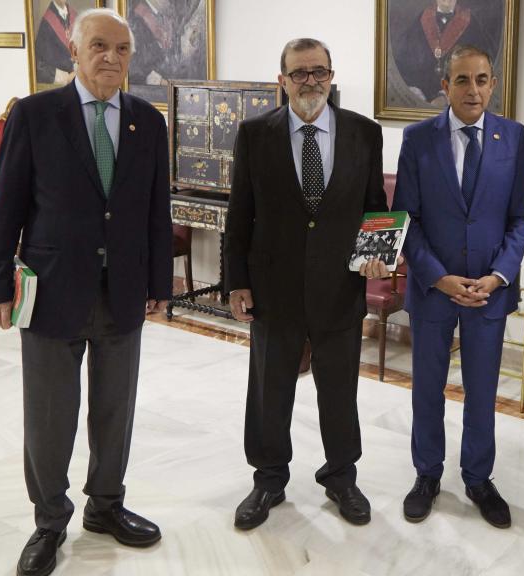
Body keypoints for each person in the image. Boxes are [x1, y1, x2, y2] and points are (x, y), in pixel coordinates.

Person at [0, 9, 171, 576]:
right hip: (52, 289)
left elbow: (153, 213)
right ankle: (48, 521)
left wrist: (160, 283)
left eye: (122, 49)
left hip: (124, 291)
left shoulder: (147, 121)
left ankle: (106, 506)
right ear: (74, 48)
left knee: (115, 409)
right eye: (100, 46)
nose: (112, 58)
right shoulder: (36, 115)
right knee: (49, 416)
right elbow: (7, 205)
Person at [225, 38, 388, 530]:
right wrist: (237, 282)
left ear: (332, 76)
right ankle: (269, 478)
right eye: (300, 73)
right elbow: (240, 214)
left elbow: (375, 206)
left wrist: (378, 258)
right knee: (270, 389)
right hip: (274, 289)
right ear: (283, 80)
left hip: (341, 287)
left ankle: (341, 476)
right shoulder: (255, 134)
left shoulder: (364, 132)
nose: (310, 81)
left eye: (319, 71)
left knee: (339, 391)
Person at [392, 44, 524, 528]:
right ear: (444, 85)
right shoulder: (418, 138)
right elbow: (406, 217)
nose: (472, 89)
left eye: (481, 79)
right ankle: (427, 474)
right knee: (427, 388)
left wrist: (498, 276)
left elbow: (520, 217)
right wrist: (439, 277)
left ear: (493, 84)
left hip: (488, 290)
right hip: (435, 288)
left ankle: (477, 478)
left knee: (481, 389)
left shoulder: (512, 137)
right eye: (461, 80)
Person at [393, 0, 501, 106]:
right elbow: (403, 64)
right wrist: (417, 94)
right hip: (421, 97)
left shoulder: (471, 24)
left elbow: (482, 69)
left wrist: (446, 96)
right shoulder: (421, 20)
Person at [34, 0, 76, 85]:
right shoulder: (46, 24)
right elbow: (38, 66)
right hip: (60, 83)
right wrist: (66, 77)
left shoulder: (75, 15)